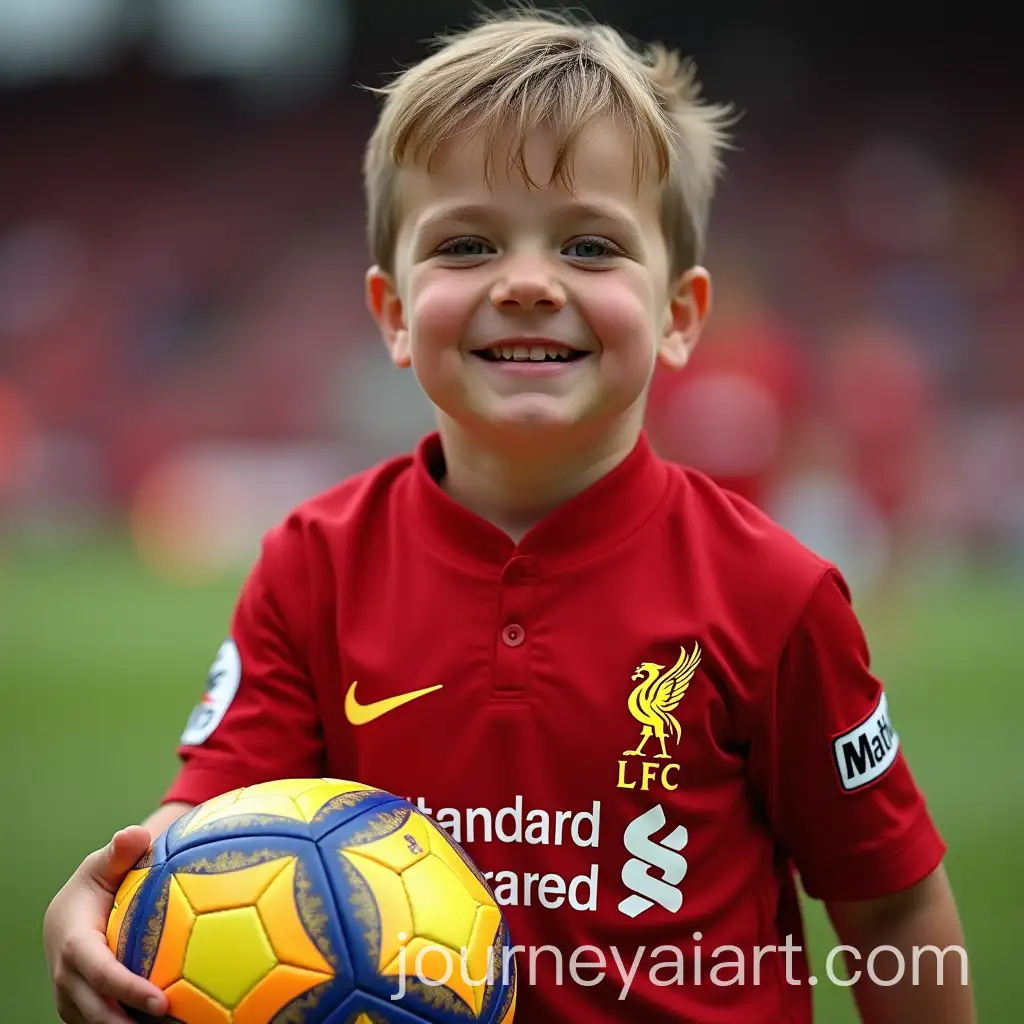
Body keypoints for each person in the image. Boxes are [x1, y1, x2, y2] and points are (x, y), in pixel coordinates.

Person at [44, 8, 975, 1023]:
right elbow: (208, 831)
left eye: (588, 245)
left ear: (679, 316)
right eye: (468, 244)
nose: (528, 283)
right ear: (394, 314)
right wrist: (109, 893)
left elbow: (891, 909)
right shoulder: (313, 564)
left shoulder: (776, 593)